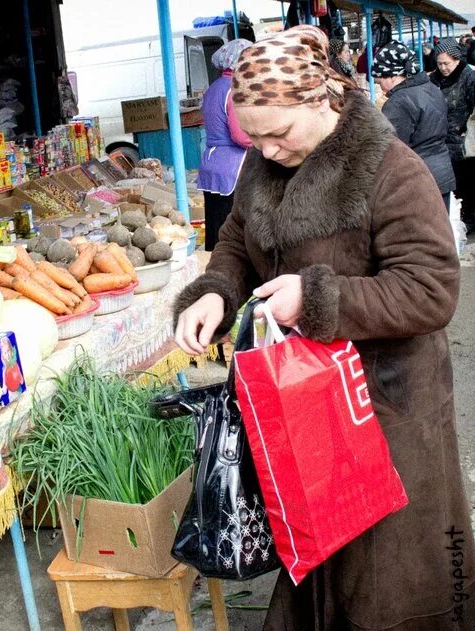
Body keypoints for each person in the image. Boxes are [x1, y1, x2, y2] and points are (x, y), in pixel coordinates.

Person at [174, 25, 474, 628]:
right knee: (316, 545)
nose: (267, 150)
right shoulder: (265, 164)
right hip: (303, 402)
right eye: (253, 139)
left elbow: (431, 289)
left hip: (385, 405)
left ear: (321, 100)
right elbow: (236, 241)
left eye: (278, 134)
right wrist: (214, 293)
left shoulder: (391, 168)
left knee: (390, 574)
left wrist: (313, 299)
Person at [372, 41, 455, 206]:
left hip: (418, 179)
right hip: (443, 172)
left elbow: (391, 146)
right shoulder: (431, 87)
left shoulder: (398, 101)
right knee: (440, 230)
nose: (380, 86)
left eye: (380, 80)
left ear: (394, 75)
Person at [197, 39, 253, 251]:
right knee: (231, 234)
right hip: (232, 166)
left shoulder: (214, 88)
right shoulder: (234, 90)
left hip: (211, 162)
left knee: (214, 227)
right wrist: (262, 139)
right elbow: (240, 136)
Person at [430, 39, 475, 232]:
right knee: (452, 184)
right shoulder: (434, 79)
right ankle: (458, 219)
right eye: (439, 64)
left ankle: (471, 217)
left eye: (446, 63)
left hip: (465, 142)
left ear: (457, 60)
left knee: (468, 182)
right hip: (443, 141)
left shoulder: (469, 77)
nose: (443, 68)